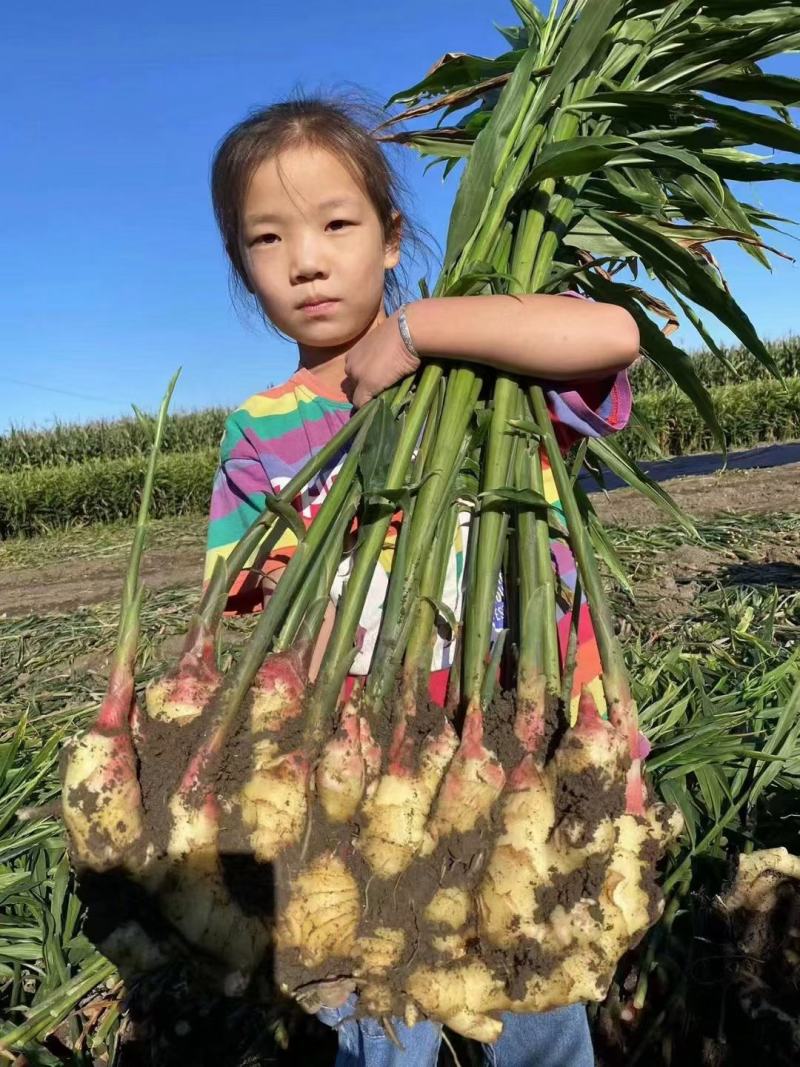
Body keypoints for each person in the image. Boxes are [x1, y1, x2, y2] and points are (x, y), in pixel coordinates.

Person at [203, 93, 639, 1067]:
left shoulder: (482, 375)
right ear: (243, 266)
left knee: (535, 1011)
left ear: (392, 238)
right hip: (355, 794)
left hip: (511, 760)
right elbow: (256, 616)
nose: (305, 260)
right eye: (266, 240)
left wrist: (422, 333)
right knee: (383, 1029)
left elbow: (610, 334)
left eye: (335, 224)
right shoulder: (260, 432)